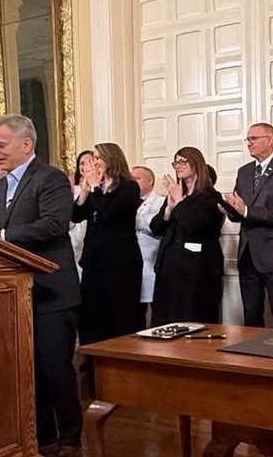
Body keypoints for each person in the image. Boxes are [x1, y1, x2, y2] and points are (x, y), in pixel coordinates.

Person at [0, 115, 81, 457]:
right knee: (29, 370)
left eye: (0, 144)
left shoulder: (50, 179)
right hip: (18, 292)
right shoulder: (1, 187)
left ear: (26, 144)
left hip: (52, 290)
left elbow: (53, 225)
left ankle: (69, 440)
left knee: (56, 369)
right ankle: (41, 437)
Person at [220, 123, 273, 327]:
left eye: (253, 139)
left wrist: (246, 210)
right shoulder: (244, 171)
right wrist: (229, 208)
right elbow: (239, 214)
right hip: (247, 253)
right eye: (248, 139)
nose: (249, 143)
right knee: (251, 316)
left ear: (270, 140)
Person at [72, 143, 143, 344]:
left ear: (111, 159)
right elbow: (76, 216)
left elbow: (107, 215)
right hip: (94, 261)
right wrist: (85, 191)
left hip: (119, 263)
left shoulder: (129, 187)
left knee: (118, 317)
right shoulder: (97, 187)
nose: (94, 162)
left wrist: (95, 188)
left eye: (98, 157)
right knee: (92, 316)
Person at [150, 147, 225, 325]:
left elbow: (194, 225)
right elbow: (156, 228)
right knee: (166, 322)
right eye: (175, 162)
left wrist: (180, 202)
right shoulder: (176, 196)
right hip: (169, 269)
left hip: (197, 272)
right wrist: (168, 209)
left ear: (196, 163)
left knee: (193, 322)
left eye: (183, 161)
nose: (178, 166)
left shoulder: (211, 198)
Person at [132, 165, 163, 325]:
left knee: (157, 317)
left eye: (137, 178)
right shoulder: (128, 201)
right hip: (132, 266)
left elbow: (156, 226)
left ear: (150, 181)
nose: (132, 182)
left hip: (152, 264)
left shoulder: (161, 202)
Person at [68, 150, 93, 275]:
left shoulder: (101, 188)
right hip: (73, 239)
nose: (85, 167)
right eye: (82, 163)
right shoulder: (73, 189)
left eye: (89, 162)